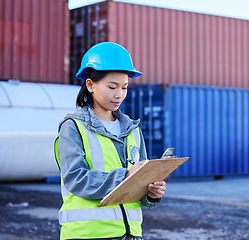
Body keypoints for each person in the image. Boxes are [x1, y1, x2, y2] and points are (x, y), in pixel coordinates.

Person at [54, 42, 166, 240]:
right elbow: (75, 178)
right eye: (112, 87)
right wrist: (125, 176)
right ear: (90, 85)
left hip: (131, 234)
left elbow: (139, 184)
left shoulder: (133, 129)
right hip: (88, 235)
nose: (119, 94)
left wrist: (151, 193)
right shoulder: (73, 127)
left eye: (124, 87)